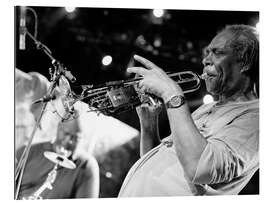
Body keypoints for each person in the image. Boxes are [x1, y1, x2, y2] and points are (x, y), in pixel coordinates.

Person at [118, 24, 259, 196]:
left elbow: (200, 168)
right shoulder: (207, 109)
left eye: (218, 52)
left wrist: (171, 92)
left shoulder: (258, 118)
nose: (205, 60)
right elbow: (166, 167)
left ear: (245, 62)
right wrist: (149, 125)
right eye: (207, 53)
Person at [16, 117, 100, 199]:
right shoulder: (28, 151)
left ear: (83, 138)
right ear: (59, 127)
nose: (68, 141)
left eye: (76, 138)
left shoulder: (87, 165)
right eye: (66, 133)